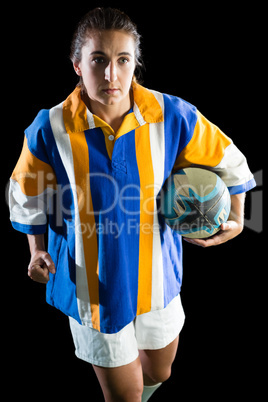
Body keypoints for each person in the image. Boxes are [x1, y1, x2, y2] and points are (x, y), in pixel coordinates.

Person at [8, 7, 256, 402]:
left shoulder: (170, 114)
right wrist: (37, 250)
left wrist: (241, 217)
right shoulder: (50, 128)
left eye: (123, 60)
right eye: (98, 60)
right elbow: (26, 195)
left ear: (135, 63)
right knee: (126, 395)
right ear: (77, 65)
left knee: (160, 370)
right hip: (93, 288)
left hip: (159, 277)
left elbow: (231, 160)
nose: (111, 75)